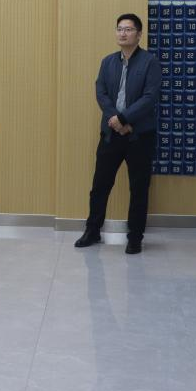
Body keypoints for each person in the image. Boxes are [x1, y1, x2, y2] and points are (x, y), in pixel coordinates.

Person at [74, 14, 162, 255]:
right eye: (119, 29)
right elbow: (101, 92)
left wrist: (124, 119)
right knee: (100, 185)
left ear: (139, 34)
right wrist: (115, 119)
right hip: (111, 134)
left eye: (128, 29)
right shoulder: (108, 62)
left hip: (139, 136)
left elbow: (150, 97)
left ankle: (135, 237)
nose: (123, 33)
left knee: (139, 189)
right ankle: (92, 230)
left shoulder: (150, 62)